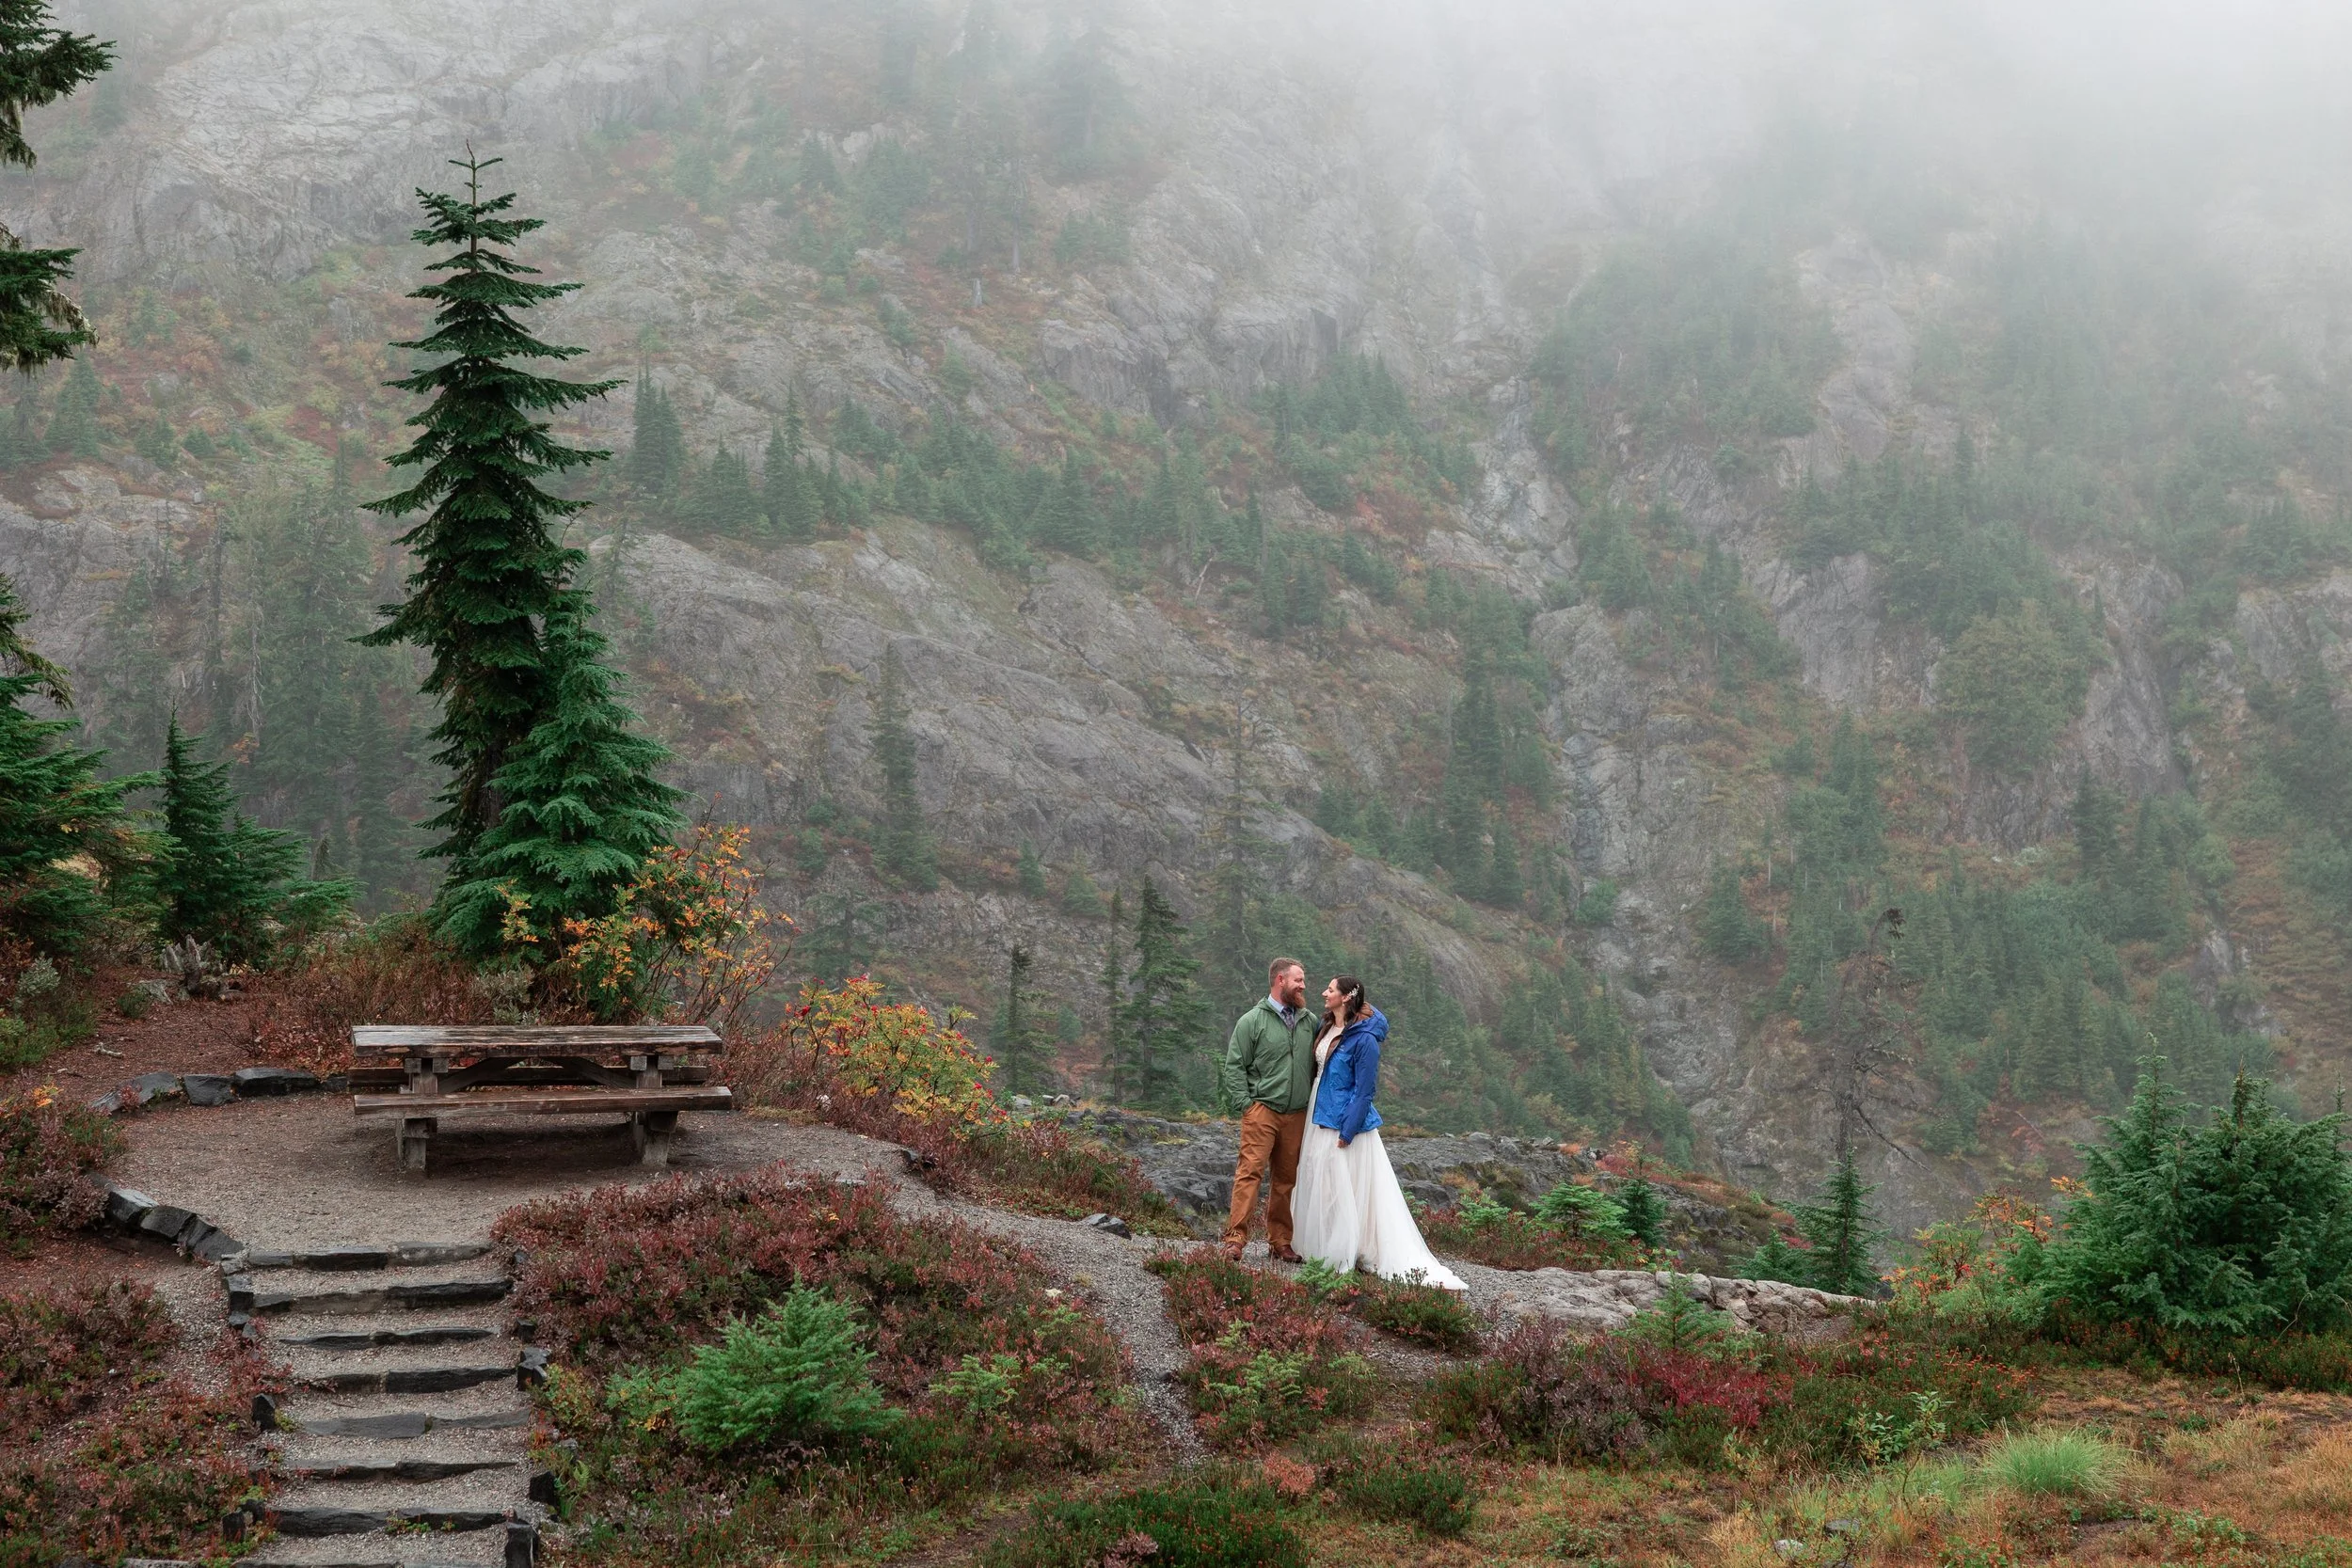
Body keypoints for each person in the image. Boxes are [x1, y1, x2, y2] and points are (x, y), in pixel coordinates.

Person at [1292, 975, 1466, 1291]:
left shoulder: (1365, 1039)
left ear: (1345, 997)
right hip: (1319, 1110)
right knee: (1322, 1179)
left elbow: (1365, 1090)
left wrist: (1349, 1128)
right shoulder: (1326, 1024)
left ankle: (1347, 1249)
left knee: (1344, 1186)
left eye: (1330, 989)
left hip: (1344, 1119)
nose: (1323, 993)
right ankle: (1323, 1246)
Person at [1218, 957, 1319, 1262]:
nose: (1303, 986)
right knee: (1249, 1174)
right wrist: (1247, 1106)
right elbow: (1234, 1066)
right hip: (1262, 1112)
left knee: (1286, 1180)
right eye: (1298, 980)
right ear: (1280, 981)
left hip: (1297, 1115)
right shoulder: (1252, 1021)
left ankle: (1280, 1243)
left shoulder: (1309, 1021)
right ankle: (1235, 1240)